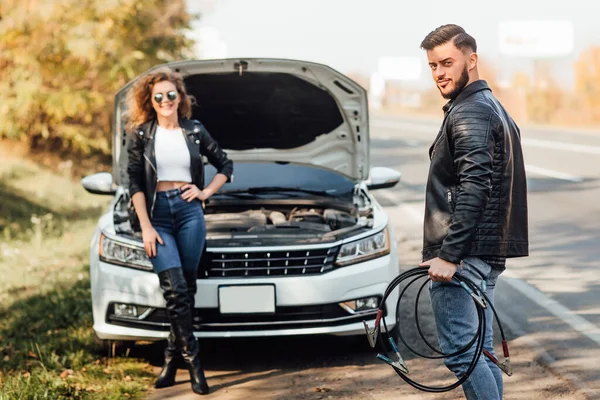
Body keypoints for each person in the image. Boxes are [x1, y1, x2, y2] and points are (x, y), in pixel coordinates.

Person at [418, 24, 528, 399]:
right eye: (433, 65)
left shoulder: (470, 113)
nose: (439, 73)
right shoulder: (490, 105)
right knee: (480, 351)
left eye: (447, 62)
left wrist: (449, 256)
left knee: (463, 355)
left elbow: (475, 187)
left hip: (465, 257)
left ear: (472, 59)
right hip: (485, 253)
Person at [126, 66, 233, 395]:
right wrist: (145, 226)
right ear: (151, 101)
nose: (166, 100)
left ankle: (171, 359)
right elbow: (134, 183)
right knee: (175, 291)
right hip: (157, 216)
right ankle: (195, 365)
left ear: (180, 98)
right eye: (159, 96)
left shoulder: (194, 131)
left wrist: (204, 192)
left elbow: (225, 165)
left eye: (171, 94)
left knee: (185, 290)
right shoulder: (142, 134)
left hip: (189, 213)